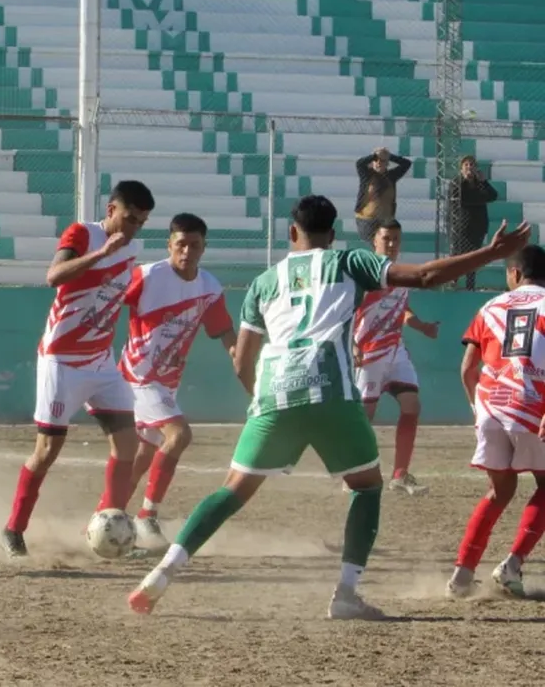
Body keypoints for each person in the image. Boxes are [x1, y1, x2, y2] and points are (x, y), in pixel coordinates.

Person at [127, 194, 530, 620]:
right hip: (331, 390)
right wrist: (491, 252)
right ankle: (346, 593)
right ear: (333, 235)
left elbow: (243, 360)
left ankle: (162, 574)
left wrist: (261, 402)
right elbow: (427, 275)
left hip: (274, 394)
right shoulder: (349, 262)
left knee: (230, 491)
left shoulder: (265, 282)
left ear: (291, 233)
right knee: (368, 486)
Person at [0, 180, 154, 558]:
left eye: (141, 222)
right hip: (61, 359)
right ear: (111, 209)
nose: (134, 227)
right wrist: (101, 252)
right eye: (129, 218)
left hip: (101, 360)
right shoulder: (82, 233)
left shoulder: (132, 247)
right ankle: (14, 529)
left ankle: (107, 527)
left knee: (127, 445)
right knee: (48, 450)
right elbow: (54, 276)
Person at [103, 213, 236, 552]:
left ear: (204, 247)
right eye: (180, 245)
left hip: (166, 384)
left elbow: (223, 331)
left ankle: (103, 521)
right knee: (179, 435)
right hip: (138, 377)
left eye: (194, 245)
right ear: (169, 245)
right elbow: (110, 302)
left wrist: (242, 359)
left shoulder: (209, 287)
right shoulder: (148, 276)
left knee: (140, 460)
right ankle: (147, 517)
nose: (187, 252)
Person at [448, 245, 545, 599]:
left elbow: (466, 368)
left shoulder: (490, 306)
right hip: (533, 407)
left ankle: (461, 575)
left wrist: (478, 409)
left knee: (499, 491)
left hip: (491, 405)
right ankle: (512, 565)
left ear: (515, 274)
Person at [352, 220, 440, 497]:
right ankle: (354, 472)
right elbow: (349, 309)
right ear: (374, 241)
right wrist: (353, 345)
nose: (391, 244)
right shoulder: (364, 275)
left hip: (395, 350)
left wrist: (421, 325)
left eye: (396, 239)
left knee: (411, 405)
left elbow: (402, 308)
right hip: (369, 353)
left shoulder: (400, 274)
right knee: (365, 417)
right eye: (386, 238)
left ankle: (400, 475)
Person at [448, 156, 499, 291]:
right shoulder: (456, 183)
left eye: (472, 165)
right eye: (466, 165)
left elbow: (493, 196)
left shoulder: (479, 183)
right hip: (460, 227)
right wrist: (481, 198)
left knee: (474, 258)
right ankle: (453, 281)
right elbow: (465, 199)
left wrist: (484, 182)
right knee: (457, 256)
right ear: (461, 168)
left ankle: (470, 286)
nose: (469, 167)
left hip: (478, 227)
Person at [354, 147, 412, 241]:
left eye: (382, 161)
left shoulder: (391, 176)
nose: (378, 163)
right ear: (372, 162)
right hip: (366, 220)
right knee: (376, 243)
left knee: (386, 242)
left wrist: (389, 156)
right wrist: (374, 155)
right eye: (376, 160)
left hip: (385, 220)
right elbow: (359, 163)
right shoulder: (367, 175)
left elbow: (407, 163)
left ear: (387, 163)